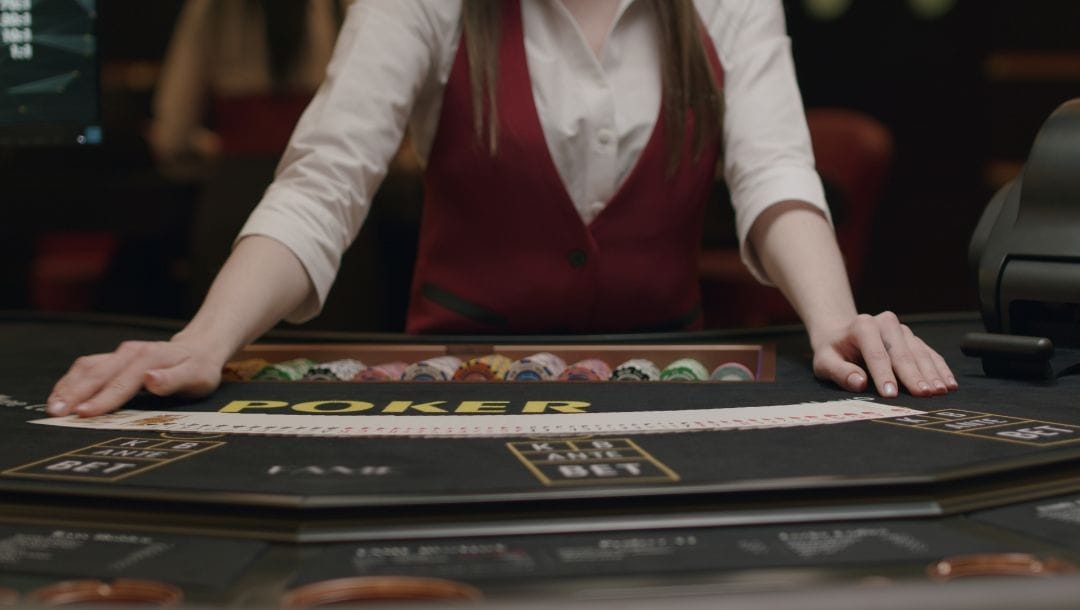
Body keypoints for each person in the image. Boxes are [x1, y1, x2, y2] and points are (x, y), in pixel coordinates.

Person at [47, 0, 957, 419]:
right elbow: (326, 182)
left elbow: (775, 174)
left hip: (672, 386)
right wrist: (206, 341)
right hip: (462, 387)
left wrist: (835, 322)